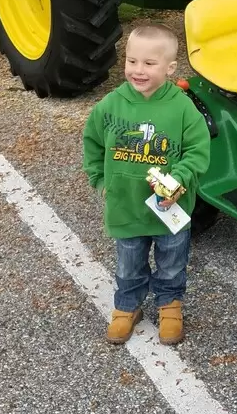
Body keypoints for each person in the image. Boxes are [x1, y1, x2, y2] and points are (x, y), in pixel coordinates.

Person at [83, 23, 211, 346]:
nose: (138, 70)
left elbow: (198, 150)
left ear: (170, 68)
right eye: (132, 61)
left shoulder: (182, 107)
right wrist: (99, 179)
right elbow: (92, 142)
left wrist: (179, 178)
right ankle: (127, 305)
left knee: (171, 262)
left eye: (149, 64)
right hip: (125, 206)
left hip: (170, 208)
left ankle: (169, 304)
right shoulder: (110, 106)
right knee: (128, 263)